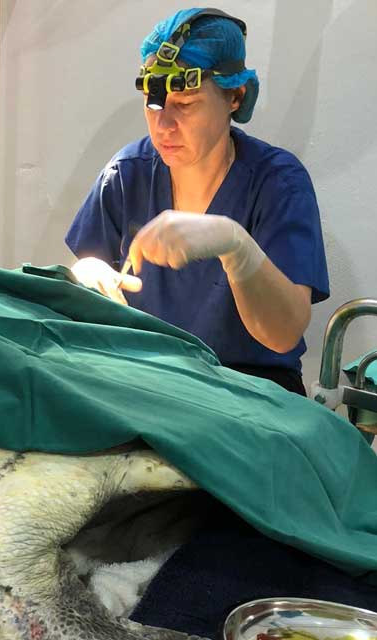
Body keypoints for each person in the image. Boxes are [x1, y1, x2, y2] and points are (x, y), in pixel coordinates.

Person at [65, 7, 329, 395]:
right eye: (153, 106)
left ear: (235, 96)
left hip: (248, 390)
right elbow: (84, 270)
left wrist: (235, 246)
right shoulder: (128, 174)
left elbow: (283, 334)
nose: (164, 125)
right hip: (150, 379)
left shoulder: (277, 183)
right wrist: (88, 275)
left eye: (185, 105)